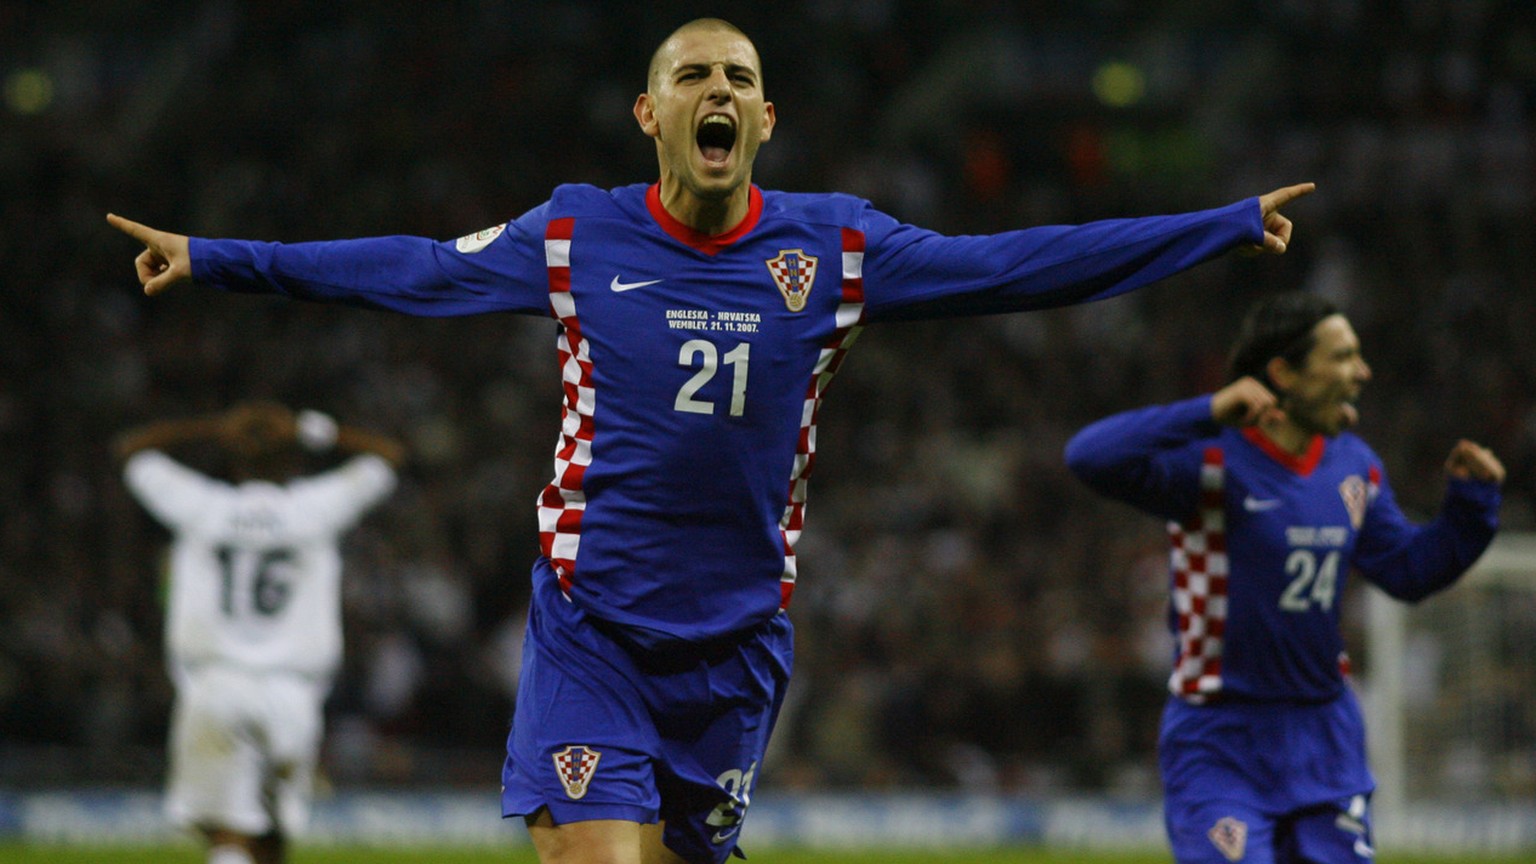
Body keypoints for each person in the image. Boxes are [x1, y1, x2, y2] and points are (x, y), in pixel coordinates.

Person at [107, 17, 1316, 864]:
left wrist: (1213, 227)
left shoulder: (835, 249)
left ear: (768, 117)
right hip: (592, 627)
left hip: (737, 646)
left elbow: (1013, 267)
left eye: (738, 76)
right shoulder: (576, 236)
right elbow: (414, 270)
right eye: (692, 75)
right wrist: (220, 257)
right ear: (651, 111)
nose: (717, 92)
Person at [1063, 290, 1503, 864]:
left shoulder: (1354, 465)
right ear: (1284, 373)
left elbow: (1407, 573)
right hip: (1221, 740)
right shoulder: (1211, 460)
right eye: (1343, 357)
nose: (1361, 373)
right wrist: (1208, 409)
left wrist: (1470, 512)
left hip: (1325, 740)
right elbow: (1089, 457)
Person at [116, 401, 405, 864]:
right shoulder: (315, 508)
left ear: (234, 454)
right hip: (293, 693)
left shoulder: (200, 505)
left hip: (216, 685)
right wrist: (312, 431)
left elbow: (130, 449)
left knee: (228, 835)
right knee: (272, 837)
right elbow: (389, 455)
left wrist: (214, 426)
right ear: (291, 456)